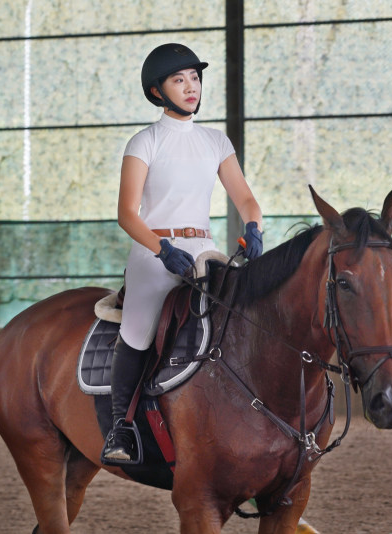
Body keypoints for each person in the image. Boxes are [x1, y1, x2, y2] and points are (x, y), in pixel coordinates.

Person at [102, 43, 263, 464]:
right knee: (138, 329)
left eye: (194, 77)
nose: (191, 86)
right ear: (157, 92)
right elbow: (126, 213)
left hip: (203, 247)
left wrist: (253, 228)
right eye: (179, 79)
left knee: (240, 316)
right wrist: (161, 249)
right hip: (154, 249)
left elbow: (245, 198)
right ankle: (120, 428)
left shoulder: (215, 141)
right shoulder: (145, 142)